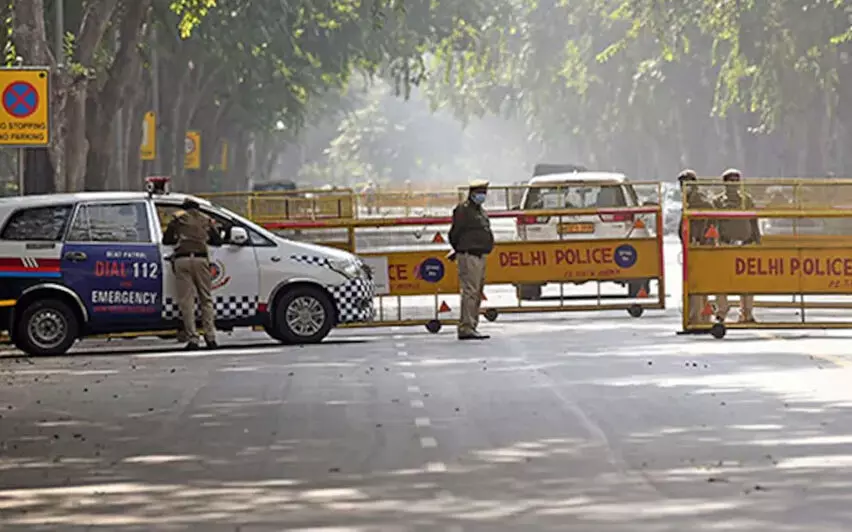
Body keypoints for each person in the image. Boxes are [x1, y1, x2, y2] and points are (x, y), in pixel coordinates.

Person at [162, 198, 223, 350]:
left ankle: (193, 339)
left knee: (187, 302)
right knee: (206, 300)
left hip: (182, 260)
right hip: (201, 260)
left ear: (185, 208)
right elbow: (218, 241)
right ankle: (211, 338)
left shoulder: (178, 218)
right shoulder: (206, 220)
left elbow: (166, 239)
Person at [448, 179, 494, 340]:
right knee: (470, 292)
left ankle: (472, 325)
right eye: (480, 192)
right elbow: (454, 233)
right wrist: (460, 248)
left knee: (477, 291)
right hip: (469, 255)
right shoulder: (463, 210)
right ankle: (466, 326)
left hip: (480, 255)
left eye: (484, 193)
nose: (483, 196)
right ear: (472, 193)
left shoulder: (480, 211)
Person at [714, 168, 760, 323]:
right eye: (730, 181)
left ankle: (746, 313)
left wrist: (756, 239)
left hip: (745, 245)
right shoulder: (718, 201)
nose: (734, 184)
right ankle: (722, 310)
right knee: (721, 279)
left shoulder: (747, 200)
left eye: (736, 181)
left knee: (747, 280)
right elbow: (714, 224)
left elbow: (754, 221)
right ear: (724, 183)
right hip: (725, 245)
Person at [678, 169, 714, 325]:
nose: (683, 186)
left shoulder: (697, 199)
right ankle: (700, 316)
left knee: (696, 283)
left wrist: (700, 238)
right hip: (692, 246)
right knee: (696, 282)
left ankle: (697, 317)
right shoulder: (688, 198)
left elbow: (708, 214)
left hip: (699, 246)